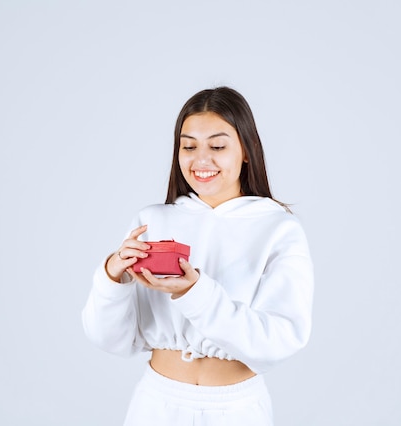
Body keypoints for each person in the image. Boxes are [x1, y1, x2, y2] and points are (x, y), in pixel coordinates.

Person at [82, 86, 314, 425]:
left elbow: (279, 340)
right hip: (156, 405)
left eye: (217, 146)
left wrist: (194, 293)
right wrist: (112, 277)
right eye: (189, 146)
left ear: (247, 151)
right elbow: (110, 340)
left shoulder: (278, 229)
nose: (201, 159)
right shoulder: (152, 222)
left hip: (236, 410)